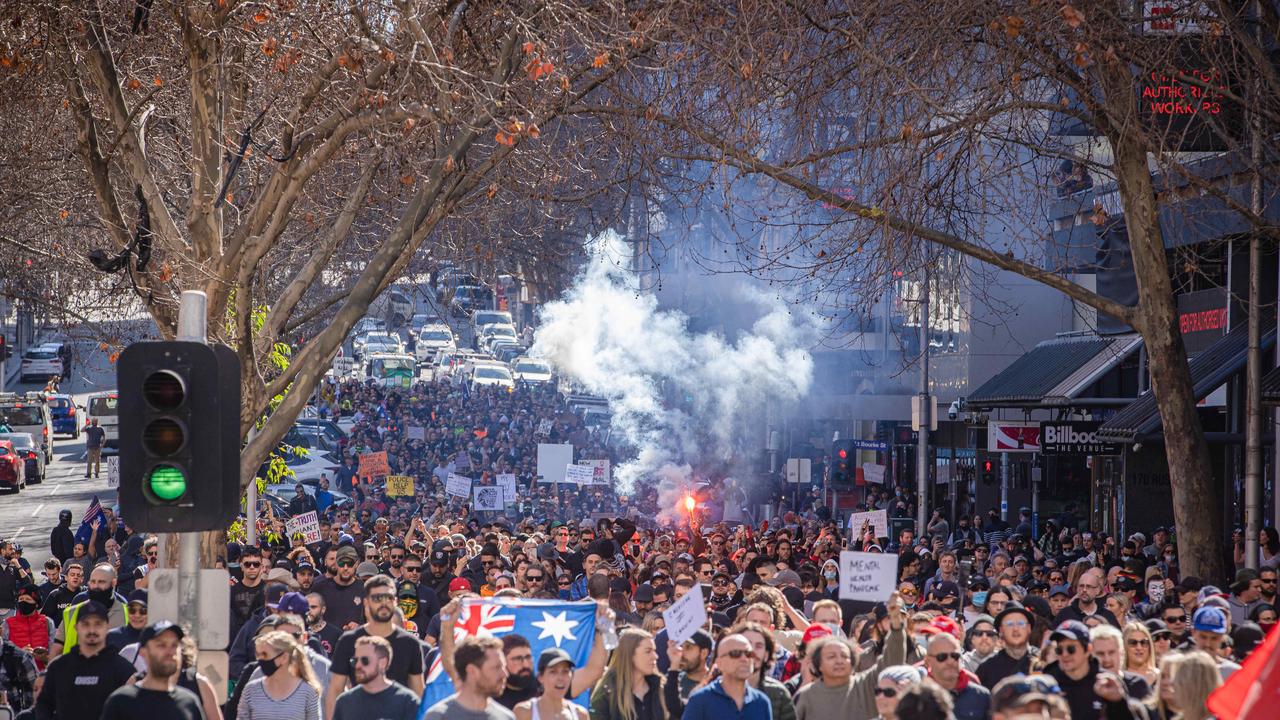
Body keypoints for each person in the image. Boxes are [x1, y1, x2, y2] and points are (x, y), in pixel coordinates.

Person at [793, 592, 913, 720]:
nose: (839, 661)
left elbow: (892, 660)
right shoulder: (806, 696)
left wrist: (895, 622)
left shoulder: (864, 685)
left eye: (844, 656)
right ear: (819, 664)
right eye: (831, 656)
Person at [324, 575, 424, 720]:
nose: (384, 603)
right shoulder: (349, 641)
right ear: (366, 602)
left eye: (388, 598)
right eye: (377, 598)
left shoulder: (410, 643)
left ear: (395, 601)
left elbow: (418, 692)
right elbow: (335, 690)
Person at [34, 601, 136, 720]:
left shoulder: (122, 668)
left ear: (107, 627)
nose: (92, 630)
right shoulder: (59, 667)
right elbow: (44, 704)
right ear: (76, 627)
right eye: (86, 624)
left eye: (98, 624)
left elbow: (135, 708)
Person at [99, 621, 203, 720]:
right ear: (143, 653)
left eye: (174, 645)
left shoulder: (189, 702)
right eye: (161, 645)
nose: (170, 652)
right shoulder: (121, 701)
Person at [680, 633, 770, 720]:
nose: (744, 659)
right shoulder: (700, 701)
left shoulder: (761, 702)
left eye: (749, 654)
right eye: (735, 653)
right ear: (719, 663)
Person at [422, 636, 513, 720]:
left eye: (504, 667)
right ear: (472, 671)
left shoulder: (506, 717)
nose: (505, 674)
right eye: (496, 667)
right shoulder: (439, 717)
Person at [237, 630, 322, 720]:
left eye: (265, 654)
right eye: (258, 655)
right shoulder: (251, 690)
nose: (260, 660)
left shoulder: (308, 693)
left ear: (284, 657)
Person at [588, 628, 663, 720]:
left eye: (654, 651)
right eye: (648, 651)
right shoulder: (607, 692)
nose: (655, 656)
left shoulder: (660, 688)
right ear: (630, 654)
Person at [920, 632, 989, 720]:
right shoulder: (916, 698)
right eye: (942, 657)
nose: (950, 661)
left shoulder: (981, 696)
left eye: (955, 656)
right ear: (928, 661)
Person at [514, 648, 590, 720]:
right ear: (540, 677)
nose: (560, 678)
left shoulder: (580, 714)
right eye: (553, 672)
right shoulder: (525, 712)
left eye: (565, 671)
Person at [975, 602, 1036, 689]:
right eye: (1010, 624)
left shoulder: (1042, 661)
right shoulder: (987, 668)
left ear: (1029, 628)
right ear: (1001, 630)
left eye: (1021, 623)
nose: (1015, 629)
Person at [661, 630, 711, 716]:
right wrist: (674, 666)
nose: (682, 652)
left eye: (688, 647)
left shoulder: (716, 684)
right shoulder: (670, 681)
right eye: (681, 646)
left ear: (704, 653)